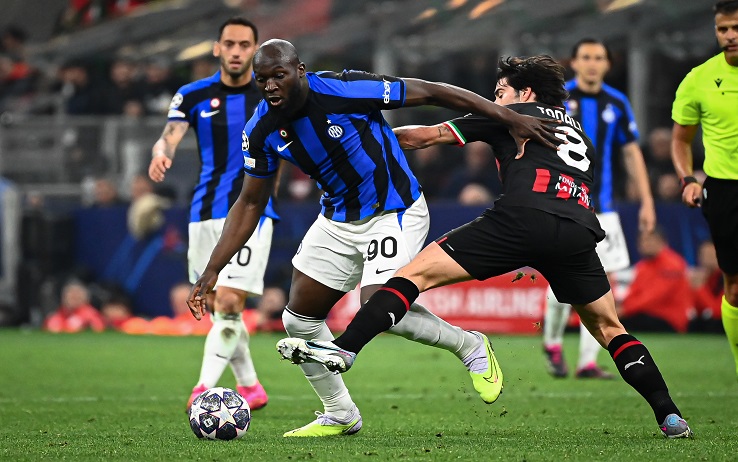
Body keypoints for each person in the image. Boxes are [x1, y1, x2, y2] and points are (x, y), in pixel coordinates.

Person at [277, 55, 693, 439]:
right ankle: (669, 414)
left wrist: (354, 143)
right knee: (609, 328)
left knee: (408, 278)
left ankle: (344, 349)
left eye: (500, 93)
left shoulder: (510, 116)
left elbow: (423, 137)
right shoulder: (577, 129)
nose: (494, 101)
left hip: (520, 219)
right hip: (578, 228)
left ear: (524, 94)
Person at [187, 39, 561, 437]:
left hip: (394, 210)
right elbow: (249, 202)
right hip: (336, 220)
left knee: (379, 307)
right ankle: (340, 413)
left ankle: (469, 345)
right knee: (297, 320)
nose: (271, 86)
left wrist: (507, 117)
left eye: (279, 75)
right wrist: (213, 269)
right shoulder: (260, 129)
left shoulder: (344, 89)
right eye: (262, 80)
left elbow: (433, 91)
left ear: (300, 69)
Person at [148, 17, 277, 412]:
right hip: (204, 210)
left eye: (244, 45)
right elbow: (170, 134)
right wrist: (161, 151)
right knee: (221, 302)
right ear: (217, 48)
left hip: (254, 211)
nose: (237, 51)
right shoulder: (192, 94)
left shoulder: (271, 93)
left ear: (254, 50)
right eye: (230, 44)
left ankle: (202, 390)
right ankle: (251, 387)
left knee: (231, 301)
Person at [541, 38, 656, 379]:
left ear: (608, 64)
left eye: (599, 58)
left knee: (604, 280)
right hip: (562, 203)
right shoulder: (558, 101)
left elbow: (631, 152)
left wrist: (647, 200)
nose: (592, 63)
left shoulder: (617, 103)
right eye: (586, 57)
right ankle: (552, 342)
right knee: (562, 276)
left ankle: (587, 362)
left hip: (603, 207)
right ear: (573, 62)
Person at [671, 0, 738, 379]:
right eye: (723, 29)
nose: (730, 35)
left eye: (736, 28)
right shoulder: (699, 78)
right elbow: (681, 140)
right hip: (726, 190)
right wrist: (688, 179)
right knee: (734, 285)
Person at [618, 228, 693, 333]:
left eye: (650, 240)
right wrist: (623, 308)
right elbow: (633, 292)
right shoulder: (642, 266)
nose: (645, 244)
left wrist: (625, 310)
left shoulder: (673, 265)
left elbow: (654, 296)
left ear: (663, 242)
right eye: (642, 240)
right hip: (646, 315)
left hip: (668, 319)